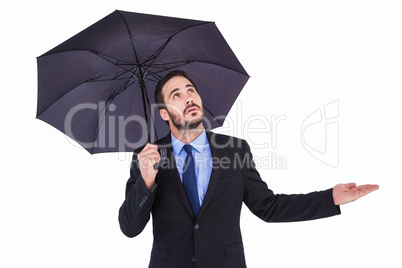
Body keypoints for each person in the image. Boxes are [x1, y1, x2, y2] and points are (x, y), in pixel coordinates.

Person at [118, 70, 379, 268]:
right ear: (164, 114)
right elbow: (129, 228)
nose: (188, 98)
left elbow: (268, 207)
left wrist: (329, 198)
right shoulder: (146, 159)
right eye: (176, 95)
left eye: (191, 91)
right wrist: (147, 181)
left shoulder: (234, 150)